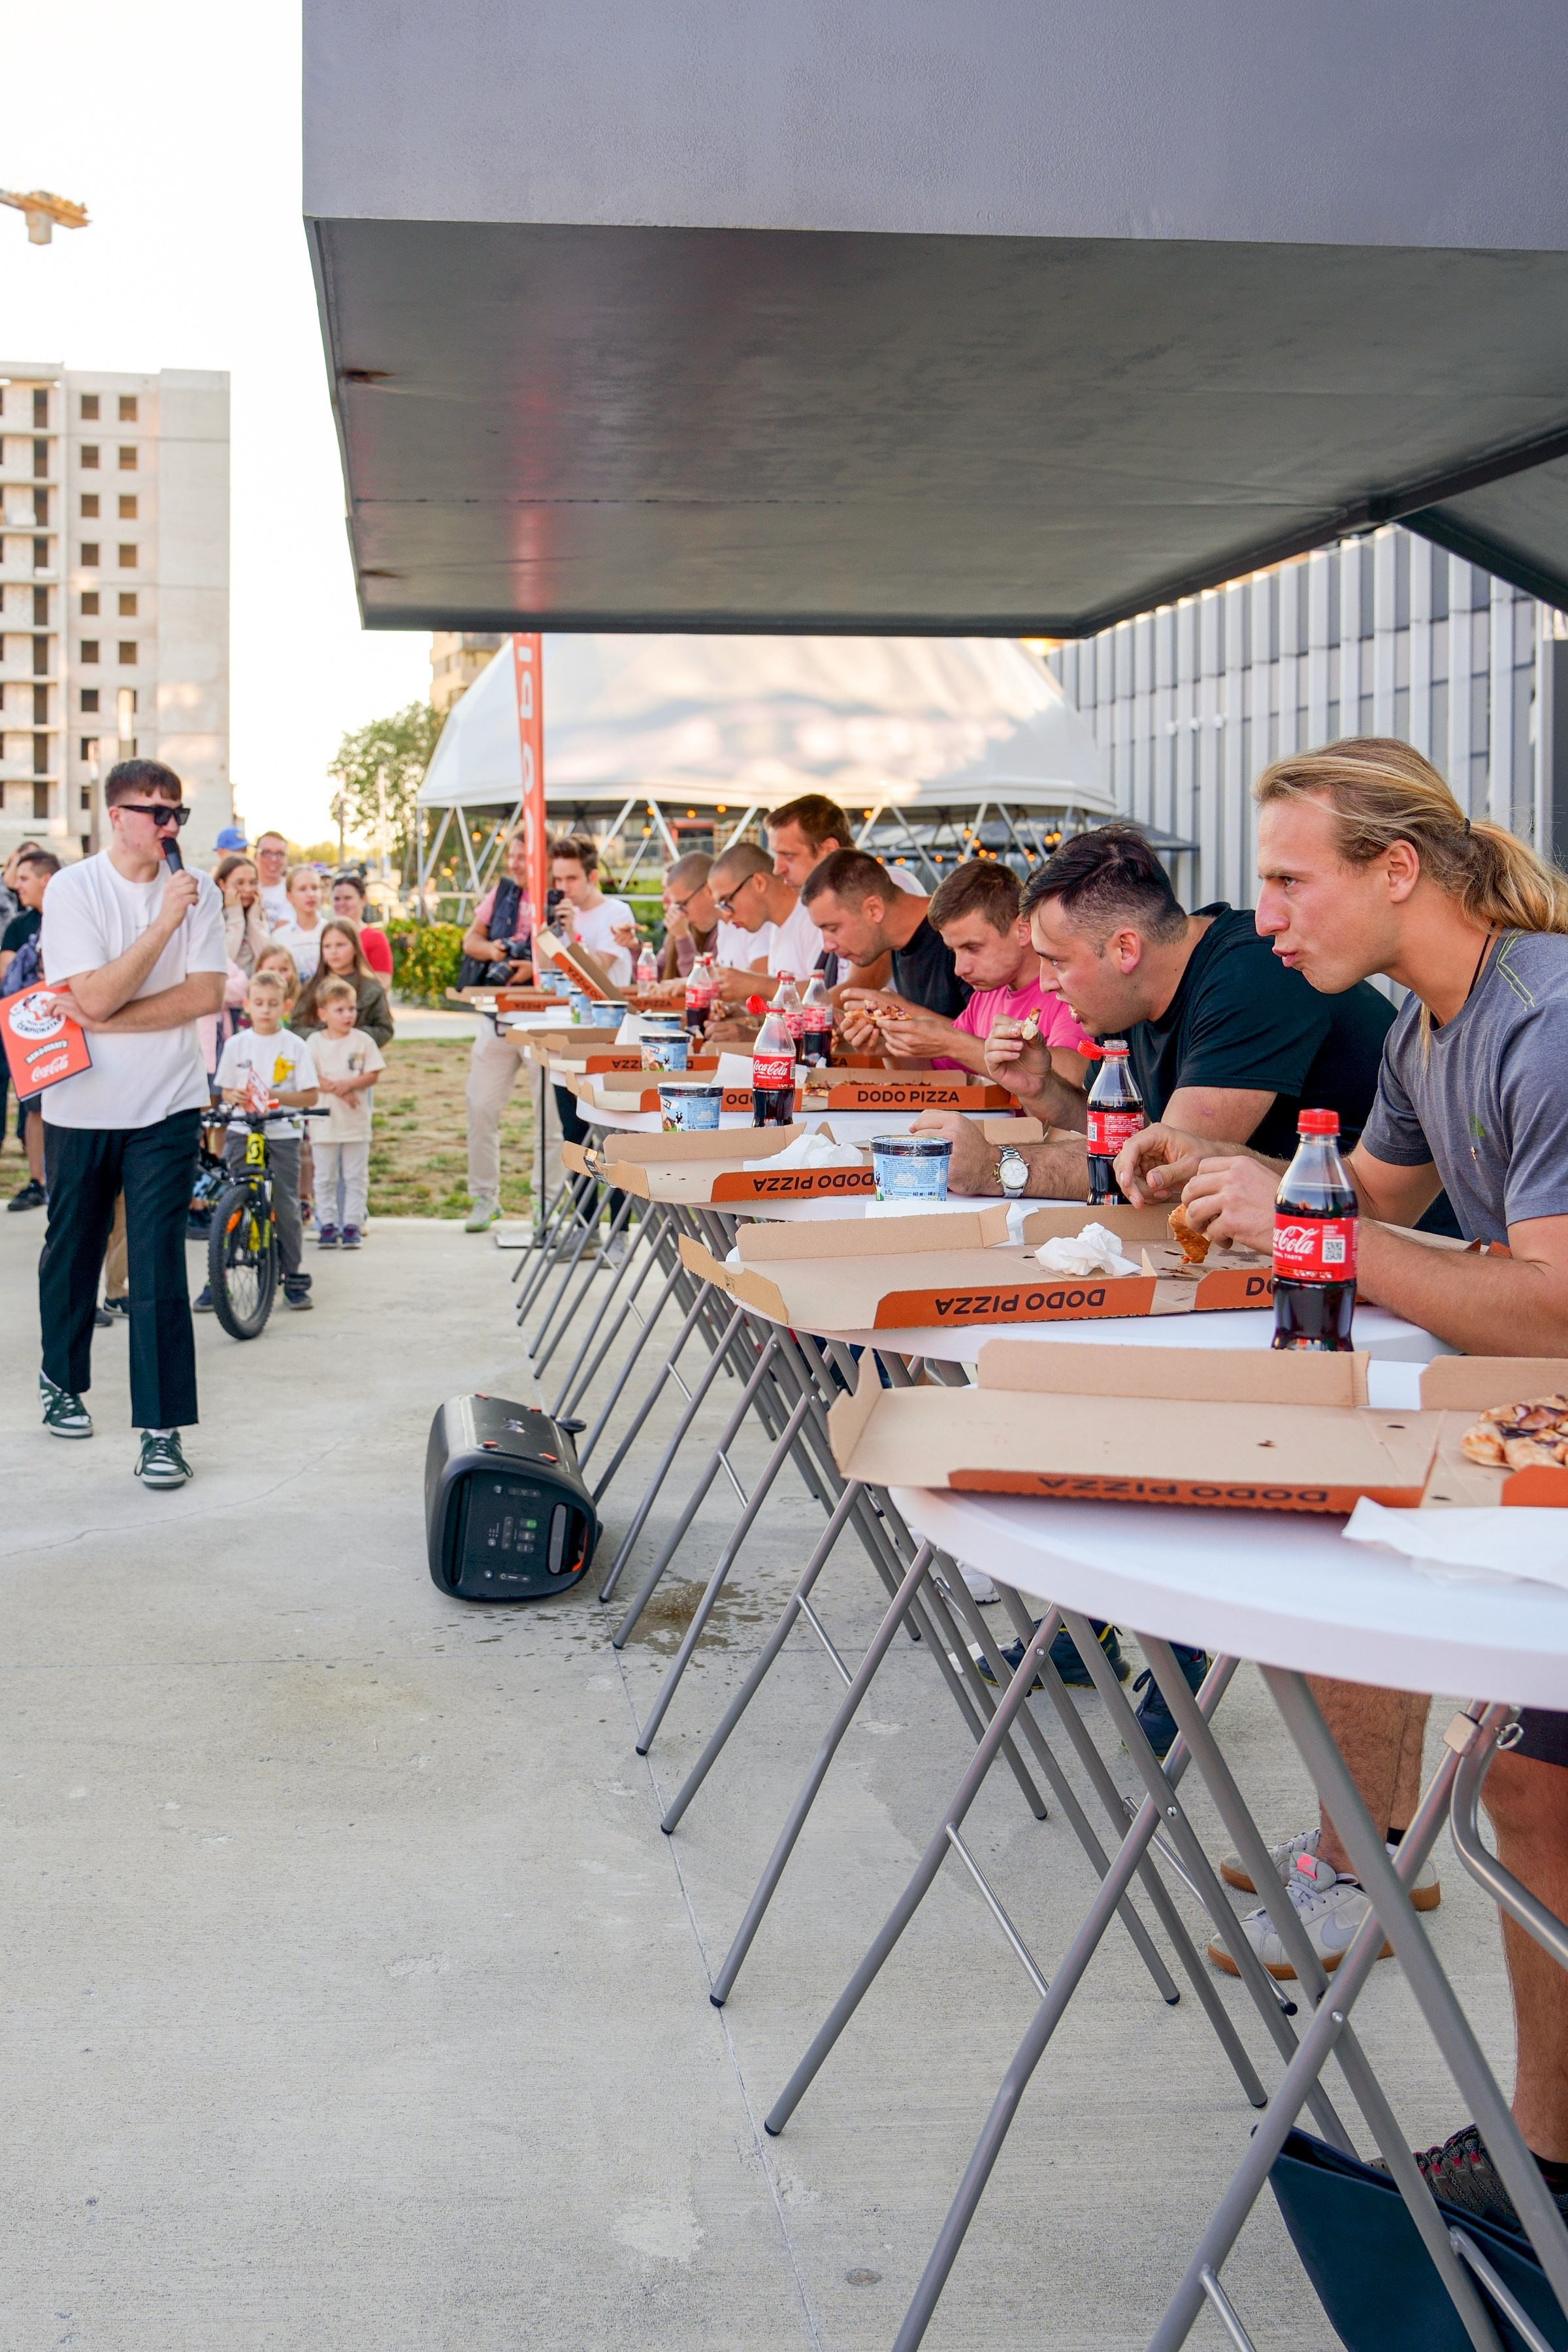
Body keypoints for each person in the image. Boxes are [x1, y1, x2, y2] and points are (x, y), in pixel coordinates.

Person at [1137, 740, 1568, 2234]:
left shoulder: (1544, 1014)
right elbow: (1362, 1204)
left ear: (1394, 870)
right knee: (1523, 1779)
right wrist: (1198, 1180)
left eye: (1285, 879)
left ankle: (1539, 2156)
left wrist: (1295, 1220)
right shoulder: (1417, 1027)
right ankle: (1543, 2156)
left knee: (1529, 1776)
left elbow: (1547, 1301)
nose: (1260, 915)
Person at [915, 821, 1394, 1203]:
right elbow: (1131, 1139)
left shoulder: (1254, 974)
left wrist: (997, 1167)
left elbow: (1159, 1175)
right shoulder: (1133, 993)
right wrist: (1045, 1090)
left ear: (1126, 948)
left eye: (1057, 960)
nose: (1044, 983)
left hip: (1377, 1265)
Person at [35, 757, 227, 1489]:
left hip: (169, 1103)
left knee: (156, 1267)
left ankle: (161, 1430)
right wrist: (162, 925)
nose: (171, 826)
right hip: (82, 1105)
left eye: (177, 812)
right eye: (156, 812)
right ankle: (61, 1376)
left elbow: (204, 995)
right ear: (117, 817)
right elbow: (95, 990)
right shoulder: (73, 889)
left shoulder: (199, 892)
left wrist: (110, 1023)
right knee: (74, 1248)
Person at [862, 858, 1093, 1081]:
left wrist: (953, 1042)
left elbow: (1071, 1077)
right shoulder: (984, 998)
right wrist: (891, 1046)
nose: (959, 969)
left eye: (973, 948)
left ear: (1023, 931)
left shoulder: (1065, 990)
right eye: (954, 951)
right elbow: (934, 1080)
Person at [208, 968, 319, 1312]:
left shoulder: (295, 1046)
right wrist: (233, 1095)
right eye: (259, 1003)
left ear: (285, 1006)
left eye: (273, 1003)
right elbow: (224, 1090)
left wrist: (276, 1096)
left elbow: (311, 1096)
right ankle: (218, 1273)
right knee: (234, 1196)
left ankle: (292, 1273)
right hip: (244, 1129)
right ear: (247, 1006)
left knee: (285, 1201)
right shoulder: (236, 1044)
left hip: (282, 1132)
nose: (266, 1010)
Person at [802, 849, 972, 1043]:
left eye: (832, 928)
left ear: (874, 909)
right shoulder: (893, 943)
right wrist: (884, 1039)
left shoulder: (958, 932)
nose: (827, 947)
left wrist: (902, 1013)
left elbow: (988, 1047)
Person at [2, 849, 62, 1212]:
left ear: (47, 880)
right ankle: (37, 1181)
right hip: (31, 1028)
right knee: (34, 1108)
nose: (17, 886)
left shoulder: (74, 920)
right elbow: (9, 974)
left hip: (71, 1028)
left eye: (24, 879)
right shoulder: (19, 926)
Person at [306, 974, 384, 1249]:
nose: (348, 1015)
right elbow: (309, 1076)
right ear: (323, 1014)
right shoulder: (314, 1043)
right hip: (325, 1123)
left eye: (351, 1009)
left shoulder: (363, 1041)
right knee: (325, 1176)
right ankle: (327, 1223)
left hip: (356, 1123)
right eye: (340, 1010)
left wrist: (349, 1084)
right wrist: (339, 1089)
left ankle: (352, 1224)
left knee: (355, 1175)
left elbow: (373, 1073)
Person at [707, 840, 822, 985]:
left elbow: (826, 994)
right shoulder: (776, 926)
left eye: (728, 901)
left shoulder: (812, 920)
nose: (726, 914)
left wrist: (758, 985)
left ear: (759, 883)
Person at [548, 835, 638, 990]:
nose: (563, 887)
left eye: (572, 879)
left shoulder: (616, 913)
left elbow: (601, 970)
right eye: (558, 879)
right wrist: (547, 934)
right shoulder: (563, 913)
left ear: (593, 876)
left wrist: (572, 934)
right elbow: (547, 974)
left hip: (606, 1010)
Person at [291, 920, 395, 1049]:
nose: (333, 951)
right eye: (327, 946)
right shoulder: (312, 987)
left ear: (355, 948)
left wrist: (351, 1038)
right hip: (320, 1060)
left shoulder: (371, 987)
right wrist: (325, 1038)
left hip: (358, 1059)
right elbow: (296, 1026)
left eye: (340, 945)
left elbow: (384, 1029)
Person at [459, 830, 533, 984]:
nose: (513, 865)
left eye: (522, 858)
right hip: (497, 995)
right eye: (511, 857)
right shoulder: (503, 891)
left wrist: (536, 969)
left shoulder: (557, 898)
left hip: (540, 998)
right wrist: (492, 950)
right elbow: (470, 941)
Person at [659, 851, 721, 979]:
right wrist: (634, 947)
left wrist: (683, 937)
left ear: (708, 890)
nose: (664, 899)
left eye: (682, 903)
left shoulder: (728, 926)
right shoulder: (680, 927)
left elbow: (701, 986)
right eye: (663, 890)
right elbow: (655, 975)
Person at [329, 870, 394, 977]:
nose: (341, 904)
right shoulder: (326, 935)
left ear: (363, 900)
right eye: (337, 899)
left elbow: (383, 983)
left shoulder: (375, 938)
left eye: (348, 898)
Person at [272, 865, 327, 981]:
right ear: (289, 896)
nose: (311, 894)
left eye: (315, 888)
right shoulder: (279, 937)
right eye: (302, 889)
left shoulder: (331, 931)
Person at [253, 831, 291, 930]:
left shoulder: (293, 892)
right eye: (267, 853)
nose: (274, 859)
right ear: (255, 856)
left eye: (280, 854)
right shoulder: (245, 890)